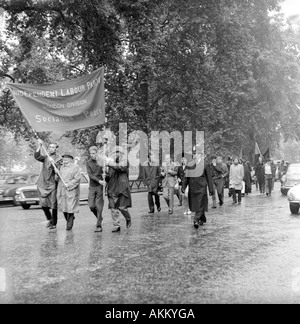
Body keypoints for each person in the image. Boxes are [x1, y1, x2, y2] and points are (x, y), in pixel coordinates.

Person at [34, 139, 63, 229]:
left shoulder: (59, 158)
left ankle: (54, 223)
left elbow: (60, 170)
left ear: (56, 149)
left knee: (53, 203)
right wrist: (40, 146)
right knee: (43, 204)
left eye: (53, 147)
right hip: (43, 183)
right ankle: (49, 219)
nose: (51, 149)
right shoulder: (46, 156)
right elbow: (37, 156)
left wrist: (54, 163)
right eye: (50, 147)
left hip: (52, 183)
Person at [182, 153, 214, 229]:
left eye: (196, 154)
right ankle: (202, 218)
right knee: (197, 204)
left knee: (200, 202)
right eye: (193, 154)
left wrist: (211, 189)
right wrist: (183, 187)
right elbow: (186, 177)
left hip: (201, 187)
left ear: (200, 155)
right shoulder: (189, 165)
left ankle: (195, 219)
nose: (194, 155)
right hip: (193, 187)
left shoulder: (205, 165)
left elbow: (209, 178)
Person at [106, 146, 132, 233]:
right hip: (112, 188)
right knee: (113, 208)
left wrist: (109, 163)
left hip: (122, 188)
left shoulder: (124, 162)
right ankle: (116, 225)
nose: (116, 154)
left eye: (118, 152)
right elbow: (109, 176)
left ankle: (128, 218)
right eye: (114, 152)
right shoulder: (111, 164)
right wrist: (106, 176)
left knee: (122, 207)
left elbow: (119, 168)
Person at [57, 154, 81, 231]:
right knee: (64, 207)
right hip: (62, 190)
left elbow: (77, 179)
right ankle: (70, 219)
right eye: (63, 159)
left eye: (66, 159)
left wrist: (69, 184)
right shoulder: (61, 167)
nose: (64, 160)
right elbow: (58, 179)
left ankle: (69, 225)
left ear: (71, 160)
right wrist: (56, 173)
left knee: (70, 207)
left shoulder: (75, 168)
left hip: (71, 190)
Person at [86, 146, 105, 233]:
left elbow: (106, 172)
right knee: (91, 206)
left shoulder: (101, 162)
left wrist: (105, 176)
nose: (92, 155)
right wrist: (99, 181)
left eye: (94, 153)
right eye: (91, 153)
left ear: (97, 153)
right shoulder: (88, 162)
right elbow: (90, 175)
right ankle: (99, 217)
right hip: (92, 186)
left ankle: (98, 225)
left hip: (100, 187)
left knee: (99, 206)